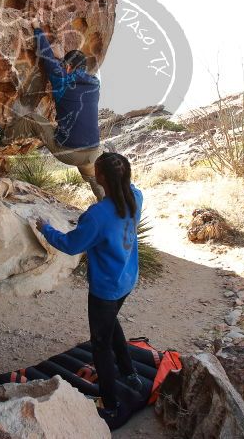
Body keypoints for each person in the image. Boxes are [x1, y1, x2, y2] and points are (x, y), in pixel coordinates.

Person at [34, 152, 143, 423]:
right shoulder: (136, 197)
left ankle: (110, 403)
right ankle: (129, 372)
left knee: (100, 345)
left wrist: (45, 228)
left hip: (106, 288)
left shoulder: (97, 216)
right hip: (127, 278)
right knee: (110, 323)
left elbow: (71, 245)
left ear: (101, 177)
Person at [0, 27, 105, 199]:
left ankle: (1, 138)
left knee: (33, 120)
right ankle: (110, 206)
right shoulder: (95, 85)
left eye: (63, 65)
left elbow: (47, 57)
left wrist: (38, 30)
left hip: (70, 152)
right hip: (93, 151)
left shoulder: (62, 80)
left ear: (68, 67)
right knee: (92, 177)